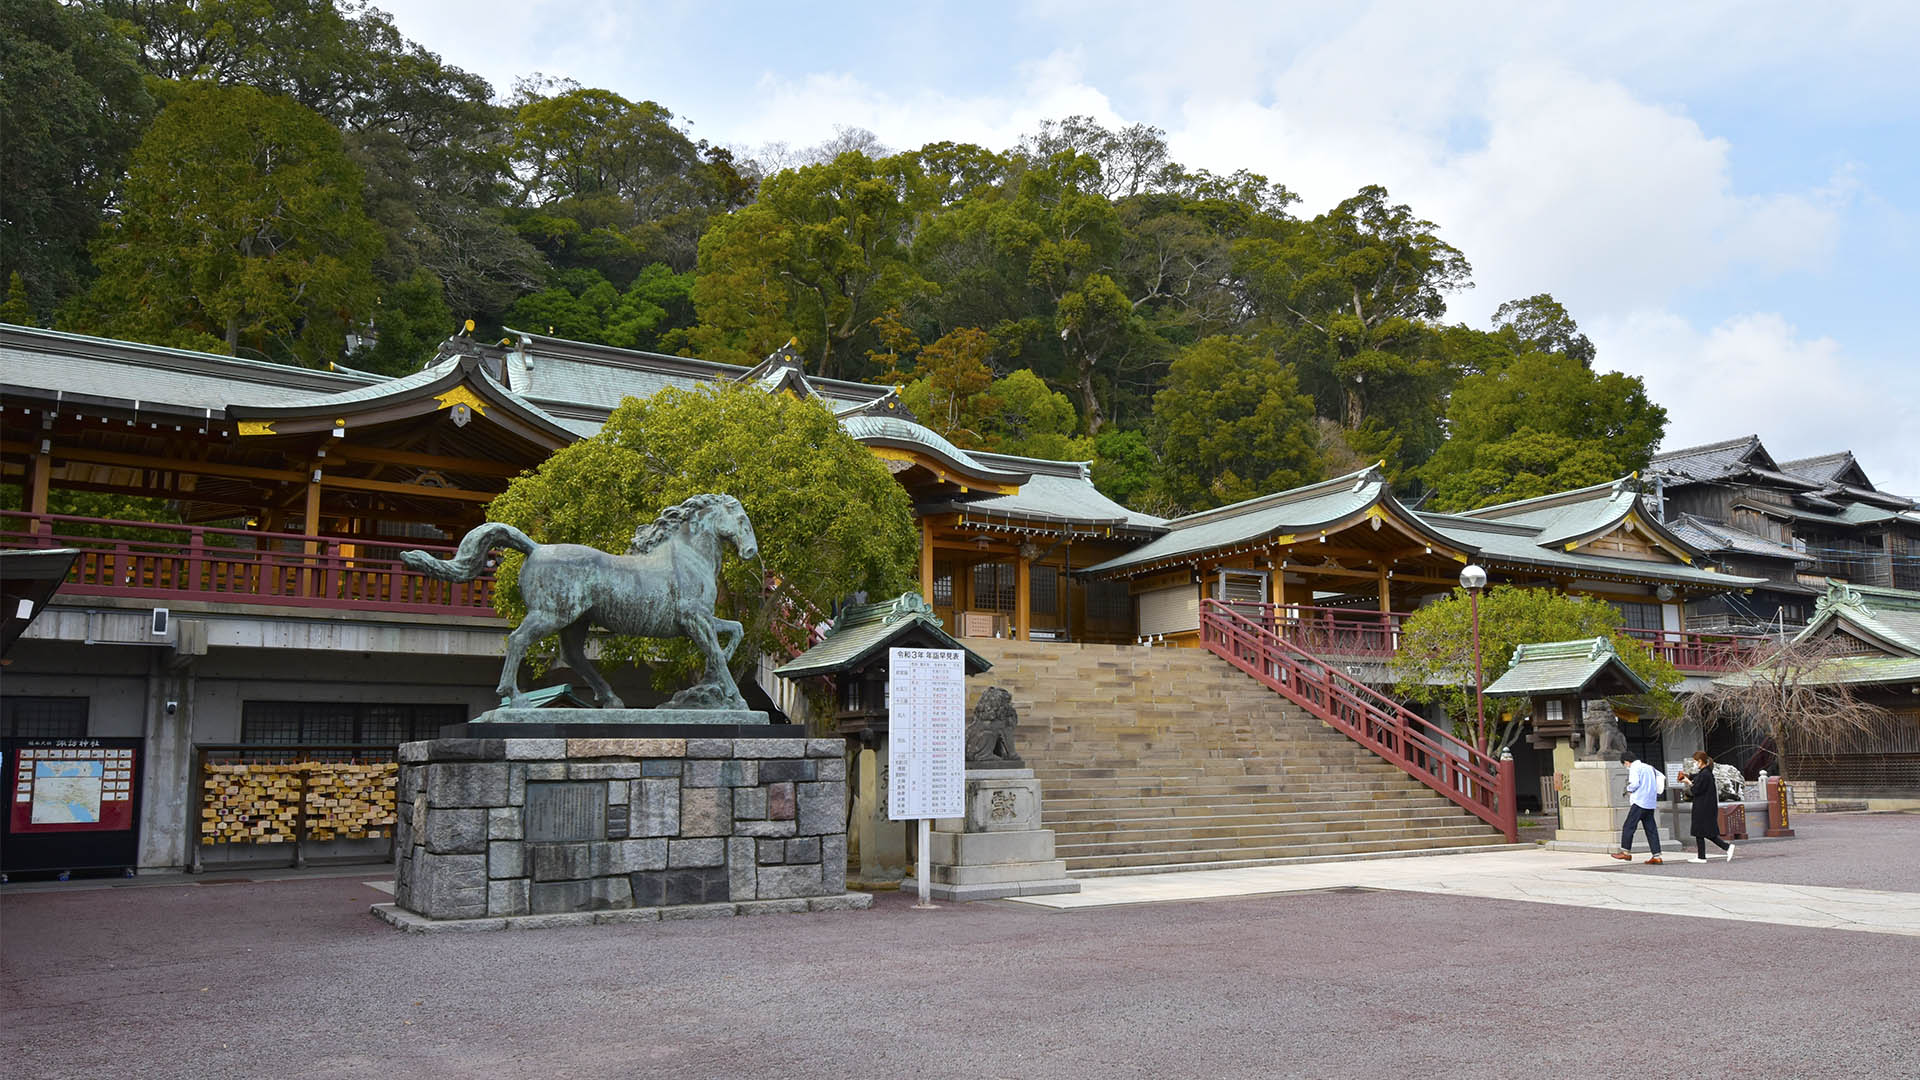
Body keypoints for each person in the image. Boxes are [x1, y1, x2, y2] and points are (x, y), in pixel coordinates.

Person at [1679, 751, 1736, 863]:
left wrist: (1688, 782)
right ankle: (1703, 856)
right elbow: (1697, 777)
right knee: (1702, 832)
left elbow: (1696, 790)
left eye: (1696, 762)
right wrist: (1688, 775)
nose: (1695, 764)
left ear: (1700, 761)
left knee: (1704, 832)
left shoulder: (1705, 774)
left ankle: (1725, 848)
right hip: (1705, 807)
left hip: (1703, 808)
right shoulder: (1706, 773)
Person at [1610, 751, 1665, 864]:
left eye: (1625, 765)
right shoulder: (1649, 767)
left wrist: (1629, 789)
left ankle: (1625, 852)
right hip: (1650, 802)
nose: (1626, 767)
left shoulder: (1635, 768)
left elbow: (1634, 783)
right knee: (1651, 829)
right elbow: (1660, 776)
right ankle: (1657, 855)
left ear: (1626, 762)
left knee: (1628, 826)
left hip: (1639, 801)